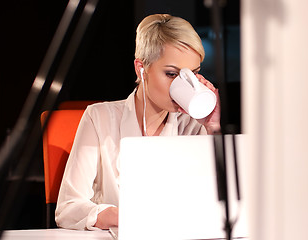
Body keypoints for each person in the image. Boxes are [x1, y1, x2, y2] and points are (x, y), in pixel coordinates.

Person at [55, 14, 220, 230]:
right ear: (141, 68)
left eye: (192, 75)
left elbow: (217, 207)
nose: (182, 86)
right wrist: (125, 216)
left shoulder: (192, 126)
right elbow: (68, 209)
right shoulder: (99, 118)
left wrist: (213, 128)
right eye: (171, 74)